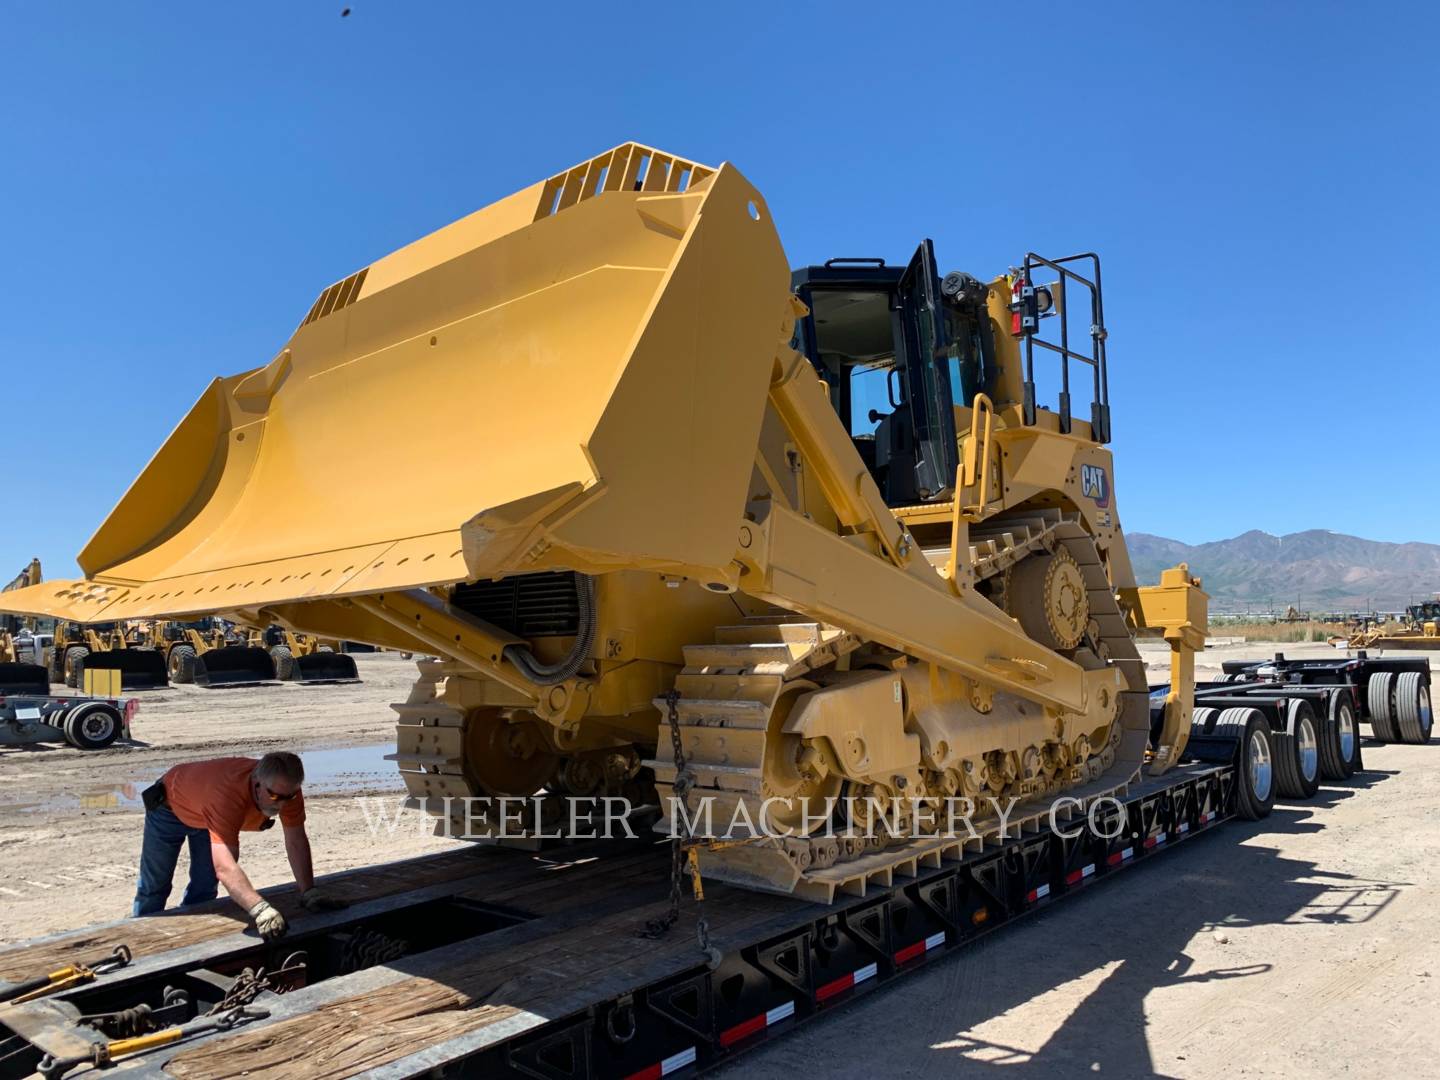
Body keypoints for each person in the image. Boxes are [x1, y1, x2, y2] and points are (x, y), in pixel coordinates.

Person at [133, 751, 344, 937]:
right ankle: (141, 936)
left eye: (288, 797)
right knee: (155, 885)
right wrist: (259, 909)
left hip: (206, 811)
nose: (281, 804)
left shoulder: (285, 790)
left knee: (204, 886)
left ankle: (193, 937)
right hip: (169, 808)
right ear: (257, 783)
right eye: (274, 796)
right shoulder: (227, 796)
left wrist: (308, 892)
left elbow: (296, 840)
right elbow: (225, 868)